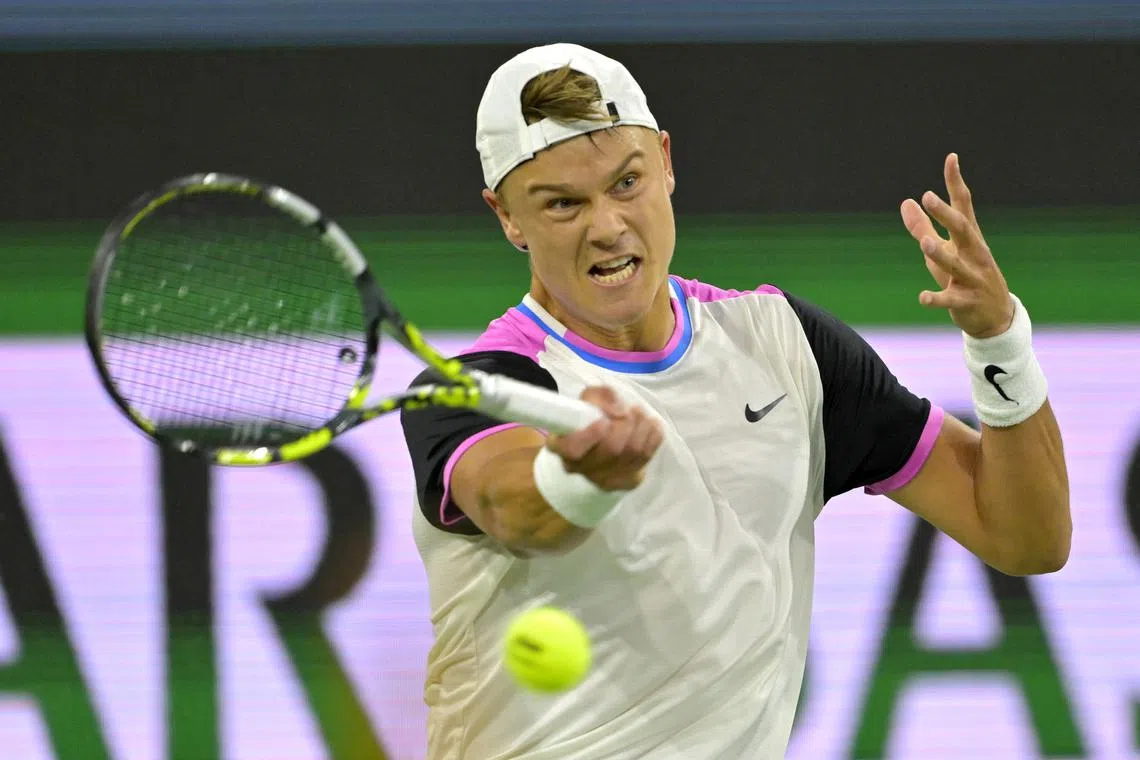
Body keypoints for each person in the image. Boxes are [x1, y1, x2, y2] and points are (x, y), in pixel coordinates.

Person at [400, 42, 1071, 759]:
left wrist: (999, 340)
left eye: (626, 183)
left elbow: (1027, 537)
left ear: (666, 161)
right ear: (506, 216)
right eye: (562, 203)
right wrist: (579, 478)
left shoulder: (786, 347)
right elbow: (516, 509)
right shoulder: (475, 384)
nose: (605, 225)